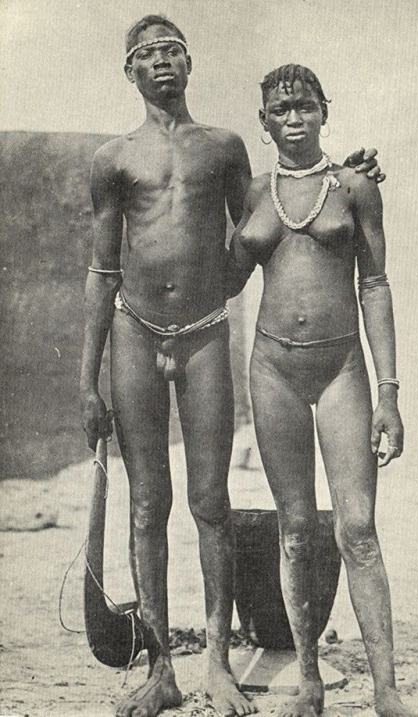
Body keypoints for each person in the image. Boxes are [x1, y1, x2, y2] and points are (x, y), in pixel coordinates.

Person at [79, 16, 384, 717]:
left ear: (189, 64)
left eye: (173, 52)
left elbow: (274, 211)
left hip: (206, 334)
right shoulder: (112, 158)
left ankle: (217, 662)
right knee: (148, 500)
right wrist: (86, 375)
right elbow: (101, 269)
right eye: (147, 55)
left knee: (210, 500)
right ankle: (161, 668)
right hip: (132, 331)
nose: (162, 63)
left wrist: (347, 176)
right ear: (129, 71)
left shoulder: (223, 148)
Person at [228, 65, 415, 717]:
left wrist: (388, 390)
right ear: (264, 122)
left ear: (324, 112)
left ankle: (386, 689)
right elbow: (222, 278)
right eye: (281, 109)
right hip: (273, 370)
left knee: (358, 527)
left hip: (342, 370)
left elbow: (376, 284)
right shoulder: (252, 193)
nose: (295, 117)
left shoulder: (355, 185)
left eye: (305, 105)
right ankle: (308, 679)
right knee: (296, 529)